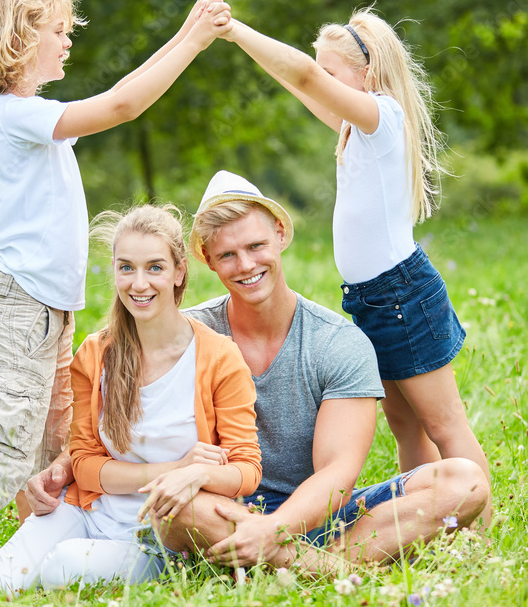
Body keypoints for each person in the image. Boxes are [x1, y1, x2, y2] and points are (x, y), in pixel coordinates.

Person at [26, 173, 490, 575]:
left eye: (256, 246)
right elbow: (116, 420)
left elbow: (339, 472)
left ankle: (293, 561)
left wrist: (272, 531)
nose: (246, 265)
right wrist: (67, 465)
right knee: (175, 509)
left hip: (319, 514)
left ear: (281, 234)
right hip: (216, 511)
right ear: (207, 260)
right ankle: (334, 569)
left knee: (464, 481)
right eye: (228, 255)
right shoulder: (188, 334)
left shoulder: (338, 344)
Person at [0, 0, 232, 590]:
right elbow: (122, 104)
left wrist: (185, 33)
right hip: (21, 303)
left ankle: (20, 566)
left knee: (51, 452)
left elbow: (119, 96)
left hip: (47, 307)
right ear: (19, 38)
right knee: (2, 446)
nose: (67, 41)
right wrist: (191, 42)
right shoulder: (16, 113)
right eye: (56, 30)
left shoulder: (29, 115)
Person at [212, 6, 492, 526]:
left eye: (332, 72)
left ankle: (480, 531)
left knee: (443, 421)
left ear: (366, 73)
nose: (324, 80)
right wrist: (265, 58)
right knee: (404, 421)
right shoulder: (353, 126)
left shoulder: (381, 115)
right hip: (371, 299)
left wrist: (235, 31)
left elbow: (303, 75)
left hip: (401, 295)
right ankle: (436, 520)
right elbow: (302, 83)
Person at [0, 204, 261, 592]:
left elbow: (246, 471)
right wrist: (176, 468)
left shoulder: (218, 357)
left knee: (61, 568)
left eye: (155, 267)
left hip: (160, 538)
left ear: (179, 272)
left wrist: (201, 474)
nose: (139, 283)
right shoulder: (96, 354)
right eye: (126, 267)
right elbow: (87, 464)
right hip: (90, 510)